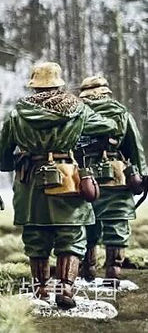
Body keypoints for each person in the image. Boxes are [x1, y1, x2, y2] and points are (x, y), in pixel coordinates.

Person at [0, 62, 115, 309]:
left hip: (30, 183)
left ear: (34, 86)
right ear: (59, 84)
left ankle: (41, 289)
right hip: (67, 178)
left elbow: (3, 151)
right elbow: (109, 126)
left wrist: (9, 163)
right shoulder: (77, 109)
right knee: (71, 235)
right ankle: (66, 288)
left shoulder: (17, 114)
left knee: (35, 236)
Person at [76, 75, 146, 282]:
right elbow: (135, 148)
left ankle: (87, 271)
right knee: (116, 224)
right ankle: (113, 273)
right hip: (116, 178)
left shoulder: (76, 115)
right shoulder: (121, 114)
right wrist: (141, 175)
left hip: (83, 178)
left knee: (86, 223)